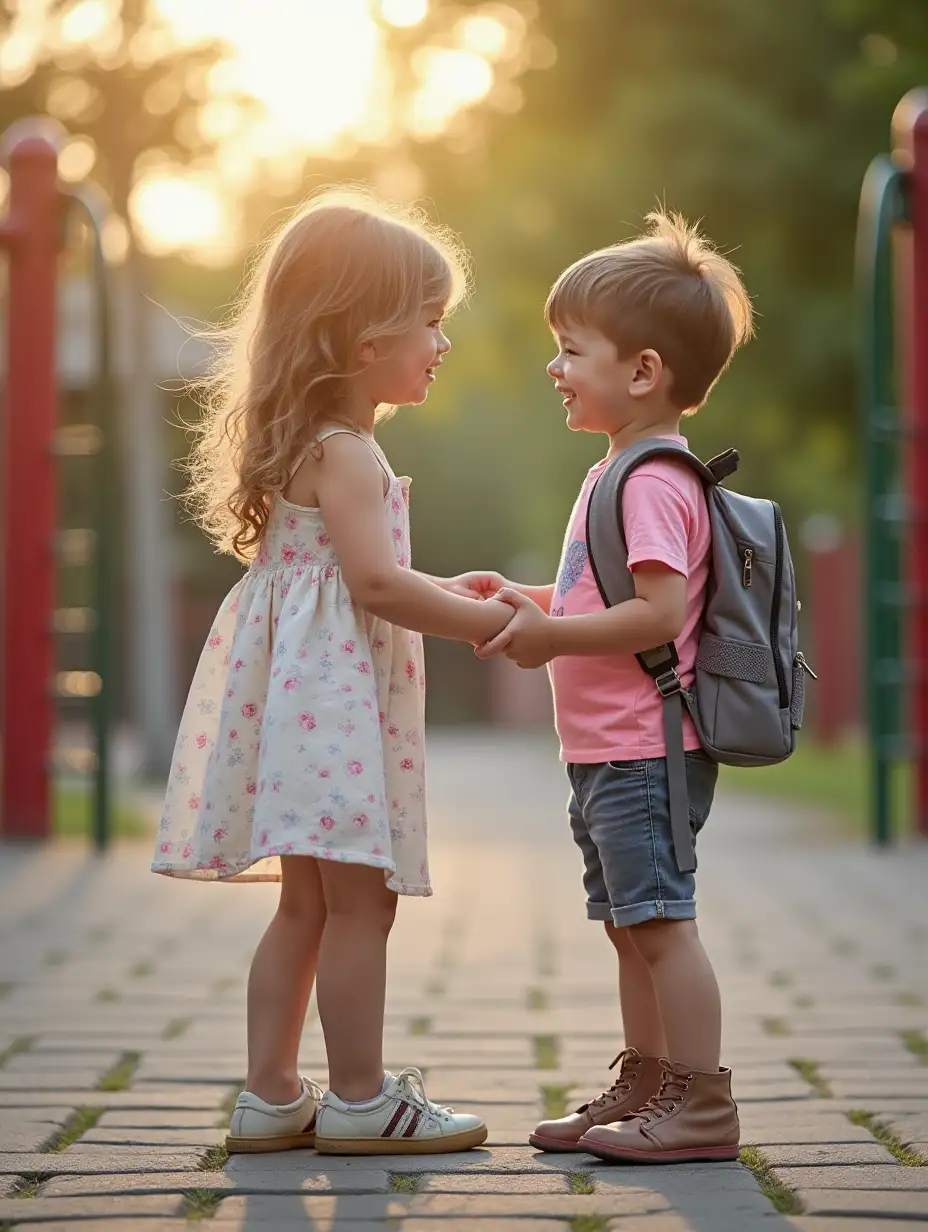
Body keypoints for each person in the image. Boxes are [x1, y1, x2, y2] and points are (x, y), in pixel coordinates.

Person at [152, 190, 514, 1156]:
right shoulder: (349, 453)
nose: (443, 343)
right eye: (431, 323)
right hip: (335, 712)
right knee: (363, 902)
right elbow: (375, 587)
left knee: (306, 903)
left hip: (296, 711)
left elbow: (344, 580)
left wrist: (446, 580)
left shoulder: (303, 449)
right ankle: (359, 1098)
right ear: (359, 339)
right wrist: (483, 620)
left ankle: (271, 1096)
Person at [476, 211, 754, 1163]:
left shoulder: (652, 479)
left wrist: (550, 635)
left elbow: (655, 615)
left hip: (648, 749)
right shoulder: (615, 472)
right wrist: (536, 600)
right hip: (607, 752)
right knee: (630, 928)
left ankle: (702, 1107)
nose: (555, 367)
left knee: (663, 926)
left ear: (642, 371)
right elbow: (610, 593)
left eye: (571, 350)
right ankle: (649, 1080)